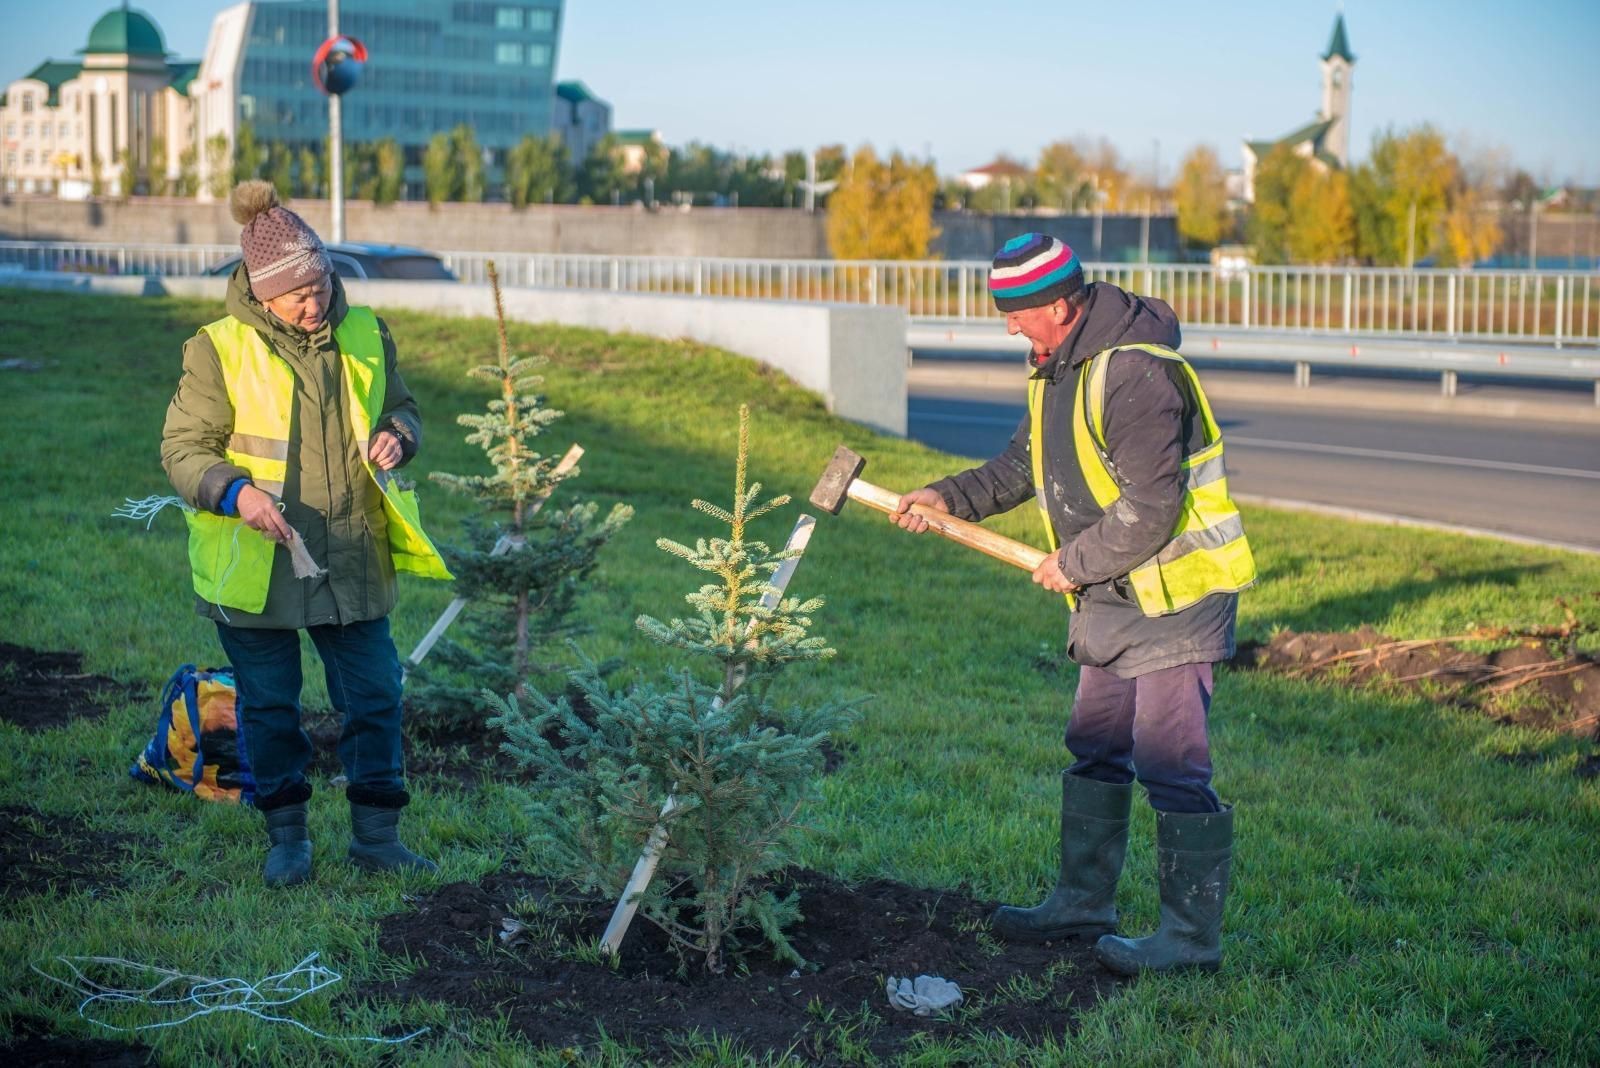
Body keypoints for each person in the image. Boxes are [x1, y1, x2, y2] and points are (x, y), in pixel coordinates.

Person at [890, 234, 1256, 974]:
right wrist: (947, 498)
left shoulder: (1137, 377)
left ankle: (1190, 941)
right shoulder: (1058, 368)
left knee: (1171, 764)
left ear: (1060, 304)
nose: (1009, 328)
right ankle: (1083, 903)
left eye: (1017, 314)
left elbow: (1153, 508)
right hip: (1115, 598)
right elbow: (1024, 466)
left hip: (1175, 597)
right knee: (1095, 747)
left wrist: (1072, 563)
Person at [161, 181, 452, 887]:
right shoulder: (215, 350)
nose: (314, 303)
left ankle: (377, 836)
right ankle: (287, 837)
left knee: (376, 695)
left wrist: (399, 434)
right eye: (298, 295)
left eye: (320, 284)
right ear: (263, 294)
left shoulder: (366, 331)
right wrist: (234, 492)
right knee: (271, 706)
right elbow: (183, 450)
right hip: (258, 562)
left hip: (350, 554)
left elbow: (405, 406)